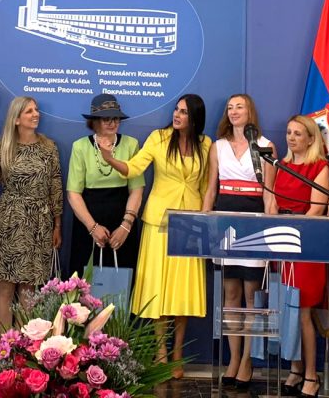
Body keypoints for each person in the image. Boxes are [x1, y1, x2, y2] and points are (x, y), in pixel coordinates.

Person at [100, 94, 211, 379]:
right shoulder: (158, 138)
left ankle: (178, 354)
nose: (177, 115)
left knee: (183, 291)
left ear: (195, 118)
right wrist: (110, 158)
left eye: (184, 112)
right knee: (159, 288)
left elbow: (207, 186)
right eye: (176, 109)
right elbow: (134, 168)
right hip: (158, 221)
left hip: (190, 223)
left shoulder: (206, 144)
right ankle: (161, 352)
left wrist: (205, 218)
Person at [202, 93, 276, 388]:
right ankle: (233, 358)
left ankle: (247, 360)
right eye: (230, 108)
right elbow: (211, 189)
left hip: (254, 222)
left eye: (239, 107)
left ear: (250, 111)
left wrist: (270, 228)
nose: (234, 111)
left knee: (251, 295)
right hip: (225, 222)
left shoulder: (265, 145)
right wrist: (206, 221)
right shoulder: (217, 146)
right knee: (230, 293)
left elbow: (269, 192)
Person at [269, 115, 329, 397]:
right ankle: (295, 368)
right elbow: (272, 202)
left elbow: (316, 210)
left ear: (310, 138)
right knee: (286, 308)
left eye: (298, 133)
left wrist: (290, 233)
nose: (291, 138)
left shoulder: (319, 167)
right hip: (280, 243)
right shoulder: (281, 166)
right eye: (289, 132)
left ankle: (311, 375)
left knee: (303, 311)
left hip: (304, 245)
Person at [0, 96, 63, 329]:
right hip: (9, 222)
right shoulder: (4, 147)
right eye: (29, 111)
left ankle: (24, 345)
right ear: (16, 119)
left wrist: (57, 225)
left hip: (39, 223)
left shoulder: (48, 147)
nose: (36, 114)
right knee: (5, 286)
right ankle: (4, 345)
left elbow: (55, 187)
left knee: (29, 288)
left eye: (36, 110)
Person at [67, 94, 144, 279]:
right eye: (106, 118)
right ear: (94, 122)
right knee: (85, 284)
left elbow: (136, 189)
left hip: (122, 222)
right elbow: (73, 193)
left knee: (122, 281)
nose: (112, 123)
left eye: (116, 118)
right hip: (88, 223)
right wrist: (93, 228)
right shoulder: (80, 147)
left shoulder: (131, 144)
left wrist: (126, 226)